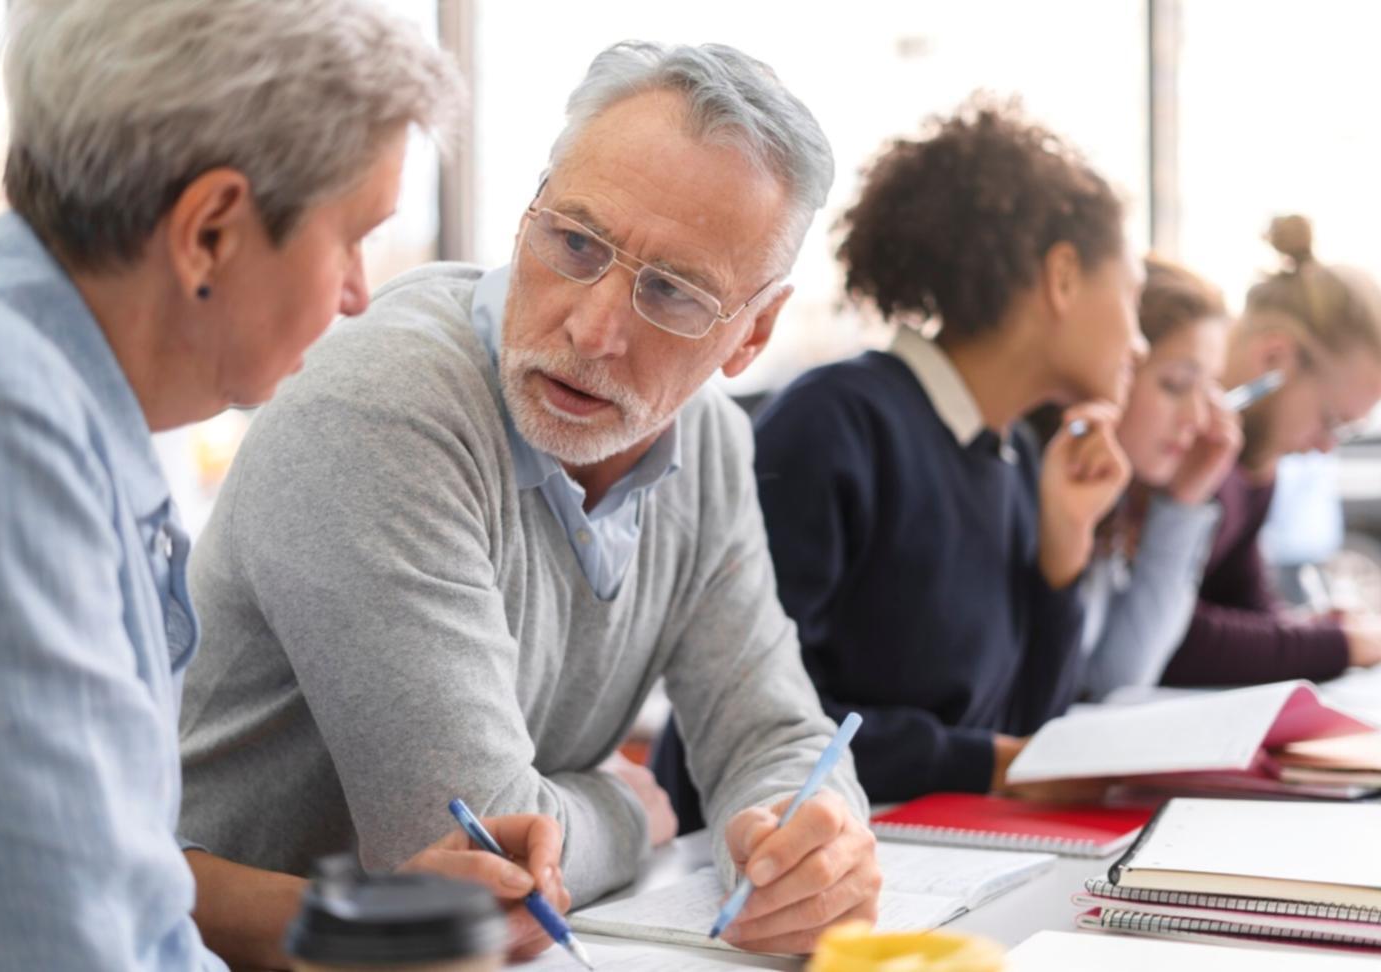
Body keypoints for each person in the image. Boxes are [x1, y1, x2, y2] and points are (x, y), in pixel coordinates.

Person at [178, 41, 880, 957]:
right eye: (575, 242)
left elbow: (773, 730)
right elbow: (469, 852)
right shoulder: (383, 406)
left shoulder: (708, 443)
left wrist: (811, 831)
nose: (593, 327)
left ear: (752, 336)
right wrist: (628, 809)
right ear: (525, 219)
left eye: (671, 293)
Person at [0, 2, 569, 971]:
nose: (354, 292)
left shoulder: (85, 392)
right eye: (351, 237)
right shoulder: (17, 432)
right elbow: (74, 945)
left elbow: (111, 880)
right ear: (210, 232)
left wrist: (371, 922)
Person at [651, 97, 1143, 820]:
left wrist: (1060, 559)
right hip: (749, 868)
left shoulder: (1017, 459)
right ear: (1062, 277)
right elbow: (741, 712)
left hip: (920, 857)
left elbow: (1024, 734)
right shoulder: (837, 423)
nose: (1137, 342)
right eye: (1131, 298)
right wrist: (986, 761)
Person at [1162, 216, 1381, 685]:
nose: (1324, 447)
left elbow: (1245, 606)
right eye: (1329, 420)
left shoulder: (1254, 469)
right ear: (1274, 359)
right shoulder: (1175, 450)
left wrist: (1309, 632)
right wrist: (1354, 644)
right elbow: (1171, 638)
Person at [1074, 258, 1241, 699]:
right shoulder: (1052, 491)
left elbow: (1120, 676)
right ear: (1118, 365)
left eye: (1207, 390)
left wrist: (1185, 502)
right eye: (1174, 384)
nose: (1198, 419)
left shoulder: (1119, 501)